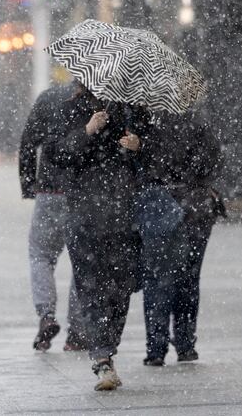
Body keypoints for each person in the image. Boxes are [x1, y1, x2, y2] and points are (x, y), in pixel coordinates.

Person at [44, 83, 149, 391]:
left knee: (121, 287)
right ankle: (101, 357)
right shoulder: (69, 108)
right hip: (83, 215)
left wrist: (138, 146)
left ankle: (108, 347)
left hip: (123, 214)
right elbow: (54, 155)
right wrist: (87, 131)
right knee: (91, 287)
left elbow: (156, 158)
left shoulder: (132, 110)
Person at [137, 112, 223, 366]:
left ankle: (156, 347)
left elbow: (140, 167)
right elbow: (214, 162)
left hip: (160, 208)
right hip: (196, 210)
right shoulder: (200, 124)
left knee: (157, 278)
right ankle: (185, 343)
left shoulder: (147, 126)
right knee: (189, 277)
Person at [18, 82, 87, 352]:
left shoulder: (49, 98)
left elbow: (27, 142)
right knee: (82, 260)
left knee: (41, 255)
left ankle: (46, 315)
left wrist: (28, 184)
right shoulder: (97, 104)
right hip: (82, 192)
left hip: (49, 189)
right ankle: (77, 332)